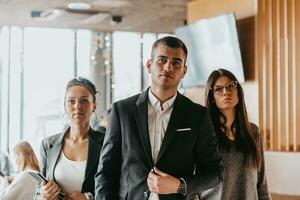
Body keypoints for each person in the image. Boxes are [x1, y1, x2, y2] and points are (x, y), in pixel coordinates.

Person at [95, 36, 223, 200]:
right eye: (162, 60)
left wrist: (180, 185)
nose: (168, 67)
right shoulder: (122, 111)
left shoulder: (197, 115)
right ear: (149, 65)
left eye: (176, 62)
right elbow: (106, 172)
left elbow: (215, 172)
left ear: (184, 71)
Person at [201, 69, 271, 200]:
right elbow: (194, 181)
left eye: (230, 86)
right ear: (212, 98)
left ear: (238, 91)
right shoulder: (204, 133)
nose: (226, 92)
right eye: (218, 89)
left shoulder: (253, 132)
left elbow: (261, 182)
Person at [39, 77, 105, 200]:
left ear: (94, 106)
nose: (77, 106)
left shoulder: (107, 143)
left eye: (84, 101)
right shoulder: (47, 145)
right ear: (65, 106)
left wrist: (88, 197)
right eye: (71, 101)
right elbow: (38, 189)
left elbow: (117, 185)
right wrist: (43, 195)